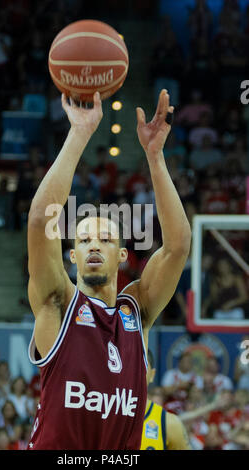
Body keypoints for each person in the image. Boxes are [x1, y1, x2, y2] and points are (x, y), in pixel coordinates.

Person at [27, 89, 191, 450]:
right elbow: (41, 220)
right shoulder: (57, 303)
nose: (94, 246)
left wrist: (155, 156)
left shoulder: (137, 310)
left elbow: (178, 247)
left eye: (104, 239)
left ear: (121, 255)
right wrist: (80, 133)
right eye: (84, 241)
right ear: (72, 257)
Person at [140, 350, 191, 450]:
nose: (134, 372)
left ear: (152, 375)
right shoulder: (103, 415)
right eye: (129, 364)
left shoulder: (169, 423)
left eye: (141, 366)